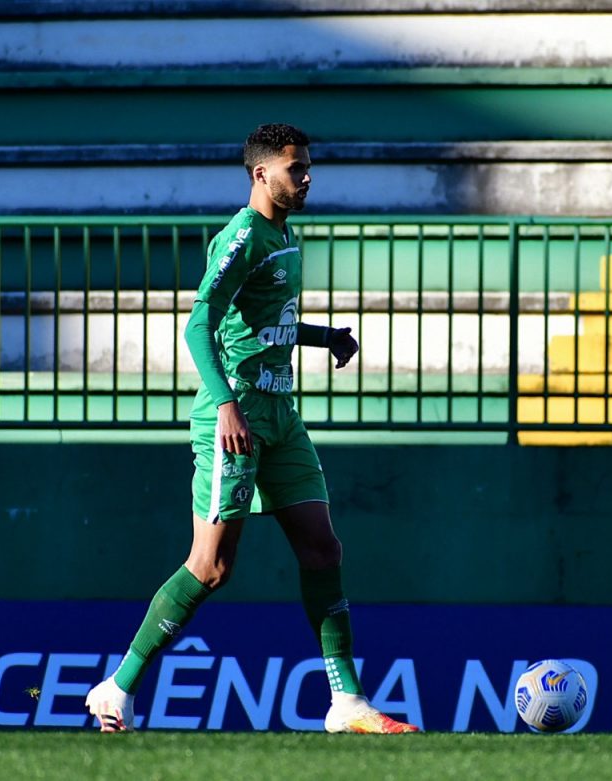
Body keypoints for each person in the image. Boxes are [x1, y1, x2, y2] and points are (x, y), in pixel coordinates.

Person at [84, 123, 418, 735]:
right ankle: (117, 687)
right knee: (211, 567)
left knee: (323, 549)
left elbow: (263, 322)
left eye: (308, 166)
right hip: (236, 418)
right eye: (296, 168)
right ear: (262, 173)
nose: (307, 177)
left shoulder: (282, 235)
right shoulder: (242, 237)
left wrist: (324, 336)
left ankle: (347, 701)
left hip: (281, 416)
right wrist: (225, 405)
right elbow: (198, 325)